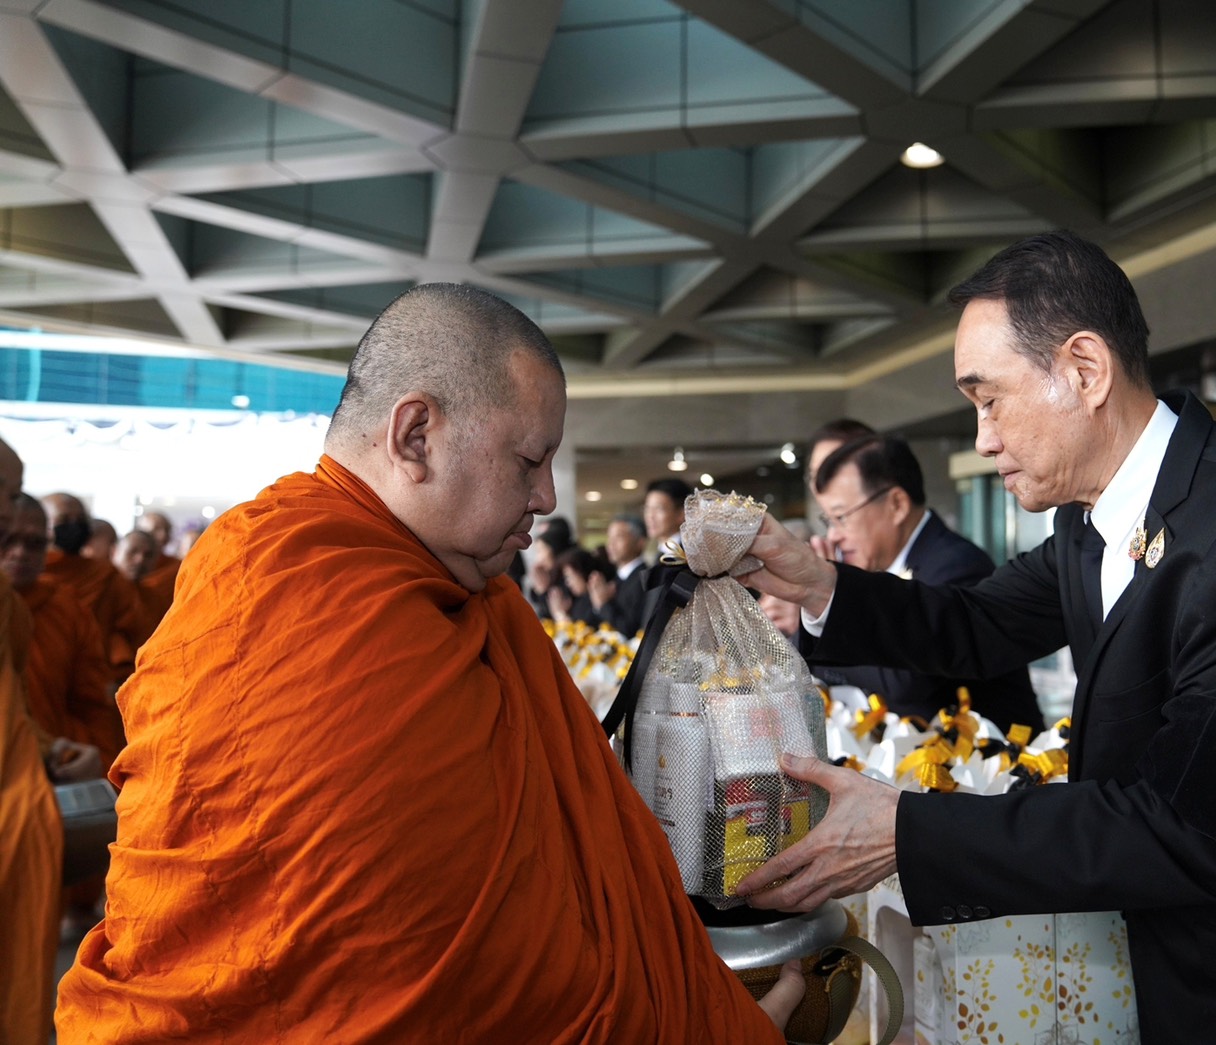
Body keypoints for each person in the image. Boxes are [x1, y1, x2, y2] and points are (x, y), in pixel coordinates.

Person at [734, 231, 1216, 1044]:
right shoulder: (1091, 523)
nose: (981, 439)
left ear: (1085, 369)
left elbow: (1194, 828)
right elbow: (979, 621)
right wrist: (819, 584)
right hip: (1176, 967)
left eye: (989, 400)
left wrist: (906, 830)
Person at [54, 283, 799, 1043]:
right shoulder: (289, 583)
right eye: (529, 460)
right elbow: (441, 961)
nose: (546, 497)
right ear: (415, 436)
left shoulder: (469, 594)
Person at [810, 434, 1043, 732]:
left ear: (896, 504)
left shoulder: (956, 564)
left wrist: (830, 612)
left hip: (994, 753)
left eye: (841, 517)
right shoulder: (877, 566)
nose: (833, 536)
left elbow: (904, 681)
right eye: (828, 521)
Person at [0, 440, 97, 1045]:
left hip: (22, 800)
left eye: (12, 496)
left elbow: (13, 709)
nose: (16, 543)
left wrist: (55, 749)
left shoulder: (24, 610)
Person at [3, 494, 119, 936]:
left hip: (45, 778)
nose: (20, 553)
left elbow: (91, 701)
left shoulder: (66, 608)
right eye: (8, 539)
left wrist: (89, 762)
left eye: (34, 543)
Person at [41, 492, 146, 682]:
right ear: (42, 523)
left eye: (80, 520)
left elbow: (128, 630)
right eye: (64, 519)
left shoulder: (106, 575)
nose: (74, 525)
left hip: (92, 675)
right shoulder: (30, 573)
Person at [590, 514, 649, 636]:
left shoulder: (645, 579)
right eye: (609, 538)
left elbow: (630, 629)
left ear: (640, 542)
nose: (611, 544)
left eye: (618, 538)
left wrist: (603, 605)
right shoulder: (615, 579)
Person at [133, 510, 181, 623]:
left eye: (166, 530)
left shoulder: (177, 566)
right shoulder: (129, 564)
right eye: (156, 529)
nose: (162, 535)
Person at [642, 476, 692, 563]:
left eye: (658, 509)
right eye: (648, 508)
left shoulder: (689, 557)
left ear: (681, 514)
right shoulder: (657, 553)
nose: (650, 516)